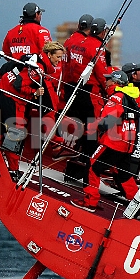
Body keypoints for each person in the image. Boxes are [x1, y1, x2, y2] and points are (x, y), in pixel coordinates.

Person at [0, 42, 66, 181]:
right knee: (16, 134)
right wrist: (34, 92)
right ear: (49, 55)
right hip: (12, 99)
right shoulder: (38, 69)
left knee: (3, 134)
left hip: (2, 93)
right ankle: (13, 171)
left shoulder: (32, 57)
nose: (59, 60)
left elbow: (10, 66)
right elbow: (18, 84)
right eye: (58, 57)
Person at [71, 69, 140, 212]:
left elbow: (107, 122)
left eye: (108, 79)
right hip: (128, 143)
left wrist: (93, 126)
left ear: (115, 83)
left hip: (114, 141)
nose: (105, 81)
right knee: (123, 175)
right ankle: (138, 207)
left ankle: (90, 202)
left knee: (92, 167)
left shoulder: (116, 97)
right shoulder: (131, 97)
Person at [61, 17, 111, 182]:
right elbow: (101, 73)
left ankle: (77, 158)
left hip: (70, 89)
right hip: (89, 92)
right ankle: (88, 167)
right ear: (102, 31)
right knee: (92, 129)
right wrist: (109, 91)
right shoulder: (97, 47)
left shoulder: (71, 41)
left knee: (79, 126)